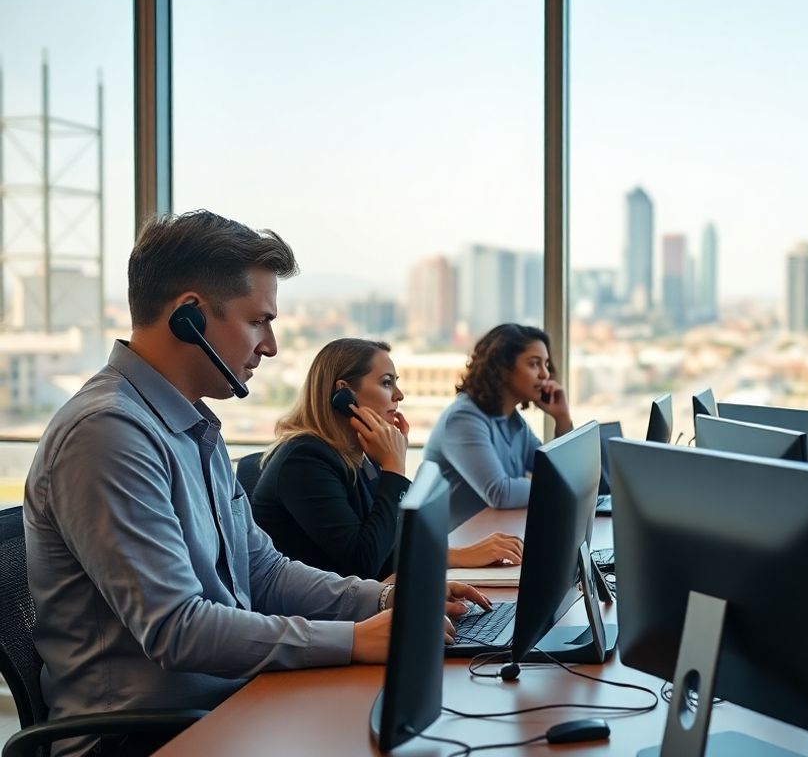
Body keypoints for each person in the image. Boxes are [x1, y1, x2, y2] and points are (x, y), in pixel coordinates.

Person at [22, 211, 487, 757]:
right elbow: (177, 628)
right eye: (257, 321)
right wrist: (356, 640)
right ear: (188, 318)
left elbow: (262, 572)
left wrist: (380, 596)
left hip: (227, 701)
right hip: (141, 737)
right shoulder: (107, 434)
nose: (269, 346)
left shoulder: (191, 425)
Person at [250, 339, 524, 581]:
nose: (399, 395)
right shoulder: (304, 460)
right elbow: (366, 563)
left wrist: (460, 556)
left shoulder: (357, 454)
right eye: (386, 382)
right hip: (319, 622)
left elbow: (395, 542)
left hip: (356, 606)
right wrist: (394, 468)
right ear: (343, 394)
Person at [425, 323, 574, 529]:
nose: (545, 375)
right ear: (502, 369)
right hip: (457, 550)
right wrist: (555, 487)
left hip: (492, 536)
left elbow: (555, 472)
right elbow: (500, 493)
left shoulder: (512, 419)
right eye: (534, 364)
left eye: (546, 365)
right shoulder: (463, 418)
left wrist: (562, 418)